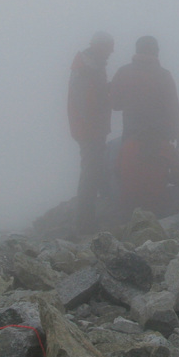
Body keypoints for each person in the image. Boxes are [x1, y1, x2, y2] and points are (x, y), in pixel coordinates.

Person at [67, 31, 114, 233]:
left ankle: (93, 216)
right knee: (90, 173)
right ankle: (84, 224)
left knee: (94, 170)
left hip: (89, 128)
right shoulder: (87, 69)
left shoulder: (91, 66)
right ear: (99, 46)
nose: (112, 51)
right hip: (89, 130)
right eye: (109, 47)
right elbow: (87, 103)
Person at [110, 35, 179, 148]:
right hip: (159, 134)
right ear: (155, 51)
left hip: (131, 132)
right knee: (157, 164)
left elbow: (115, 105)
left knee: (131, 163)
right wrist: (177, 132)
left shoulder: (123, 72)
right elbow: (173, 107)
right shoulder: (164, 75)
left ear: (137, 50)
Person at [117, 135, 179, 220]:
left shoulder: (127, 145)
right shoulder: (165, 147)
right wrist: (167, 177)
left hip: (128, 206)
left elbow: (117, 173)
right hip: (156, 208)